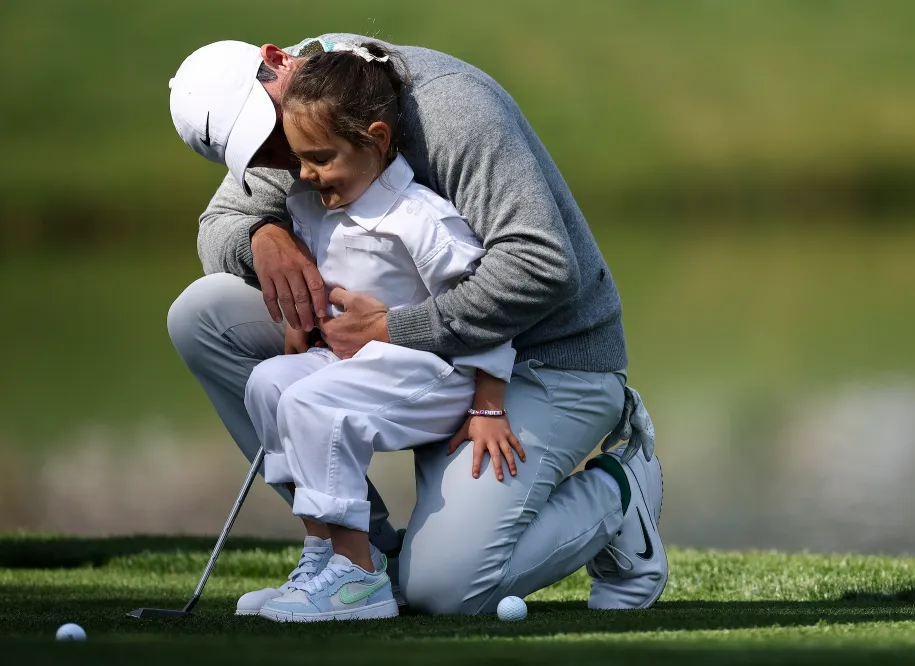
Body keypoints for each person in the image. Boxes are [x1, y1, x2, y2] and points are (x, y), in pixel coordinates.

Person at [167, 33, 667, 615]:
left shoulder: (447, 108)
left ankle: (619, 493)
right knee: (201, 317)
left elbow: (544, 265)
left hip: (543, 357)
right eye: (261, 155)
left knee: (443, 592)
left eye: (274, 134)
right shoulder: (300, 128)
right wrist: (264, 238)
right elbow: (221, 221)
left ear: (279, 61)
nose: (287, 165)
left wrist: (395, 330)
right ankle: (356, 556)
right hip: (411, 347)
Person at [244, 43, 523, 622]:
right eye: (299, 159)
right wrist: (304, 322)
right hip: (362, 368)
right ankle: (324, 555)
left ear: (376, 138)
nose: (306, 174)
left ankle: (359, 579)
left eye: (320, 158)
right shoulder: (316, 203)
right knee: (269, 384)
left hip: (437, 374)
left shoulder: (422, 218)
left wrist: (489, 406)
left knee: (317, 404)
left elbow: (488, 311)